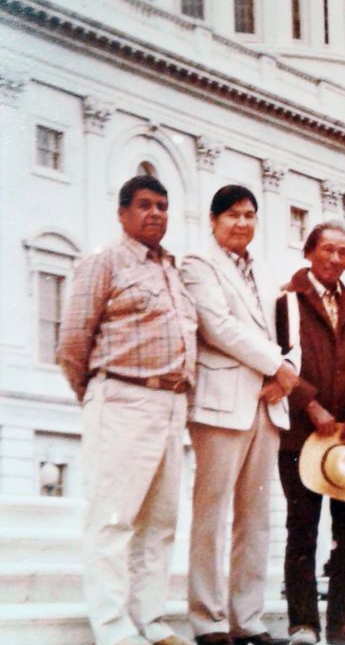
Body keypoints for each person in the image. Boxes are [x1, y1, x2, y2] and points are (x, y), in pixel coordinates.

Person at [57, 174, 197, 645]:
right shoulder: (104, 262)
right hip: (121, 397)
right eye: (143, 205)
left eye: (162, 205)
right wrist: (100, 394)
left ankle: (150, 619)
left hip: (172, 403)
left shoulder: (172, 270)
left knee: (160, 522)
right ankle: (113, 628)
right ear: (122, 213)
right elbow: (72, 343)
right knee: (114, 518)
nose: (155, 213)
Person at [180, 185, 299, 645]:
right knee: (211, 514)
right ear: (213, 219)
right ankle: (208, 620)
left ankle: (246, 619)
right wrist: (279, 365)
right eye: (233, 215)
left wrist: (289, 371)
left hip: (268, 404)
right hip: (222, 402)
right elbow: (218, 326)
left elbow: (290, 333)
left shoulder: (264, 270)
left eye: (250, 215)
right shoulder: (197, 263)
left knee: (256, 517)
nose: (243, 224)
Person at [276, 221, 345, 645]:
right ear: (309, 251)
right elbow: (276, 361)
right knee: (301, 528)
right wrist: (310, 403)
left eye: (344, 252)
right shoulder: (285, 300)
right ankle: (303, 623)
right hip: (301, 434)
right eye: (328, 249)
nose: (335, 258)